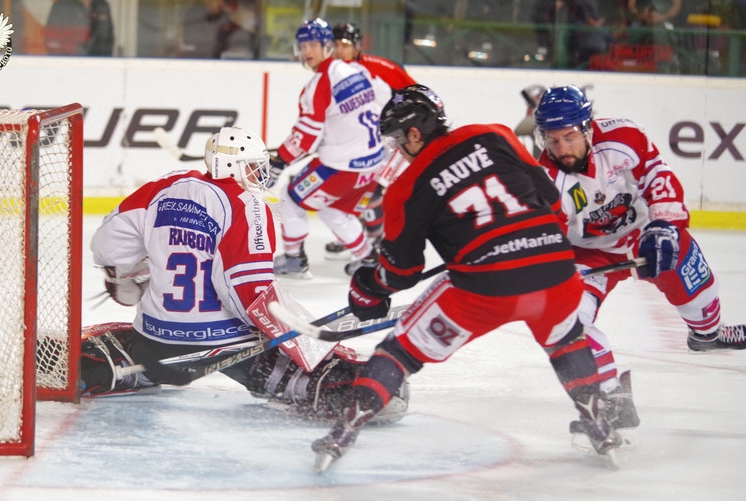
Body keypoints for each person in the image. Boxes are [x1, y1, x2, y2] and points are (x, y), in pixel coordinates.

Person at [311, 84, 622, 472]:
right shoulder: (494, 133)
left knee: (398, 352)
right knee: (566, 340)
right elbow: (551, 198)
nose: (395, 149)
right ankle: (600, 426)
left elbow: (401, 272)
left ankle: (342, 433)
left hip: (484, 289)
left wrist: (367, 288)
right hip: (557, 271)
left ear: (413, 133)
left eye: (396, 139)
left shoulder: (405, 189)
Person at [85, 126, 406, 423]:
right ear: (231, 167)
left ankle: (125, 368)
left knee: (133, 351)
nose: (259, 174)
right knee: (362, 386)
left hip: (156, 338)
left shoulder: (162, 188)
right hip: (227, 348)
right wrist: (290, 336)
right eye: (252, 167)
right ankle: (301, 380)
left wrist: (123, 278)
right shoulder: (247, 205)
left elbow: (105, 244)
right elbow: (246, 291)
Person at [533, 85, 745, 420]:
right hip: (588, 256)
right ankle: (606, 395)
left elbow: (658, 176)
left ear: (588, 127)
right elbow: (548, 238)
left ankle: (709, 334)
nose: (562, 148)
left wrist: (664, 224)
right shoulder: (545, 179)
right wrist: (556, 269)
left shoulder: (623, 136)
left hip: (643, 236)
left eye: (570, 136)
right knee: (569, 319)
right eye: (552, 139)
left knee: (697, 289)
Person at [267, 18, 386, 278]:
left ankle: (293, 258)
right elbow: (381, 101)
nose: (307, 51)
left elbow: (307, 135)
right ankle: (368, 259)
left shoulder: (319, 83)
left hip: (341, 167)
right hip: (373, 164)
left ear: (327, 46)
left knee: (290, 197)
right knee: (335, 210)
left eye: (313, 44)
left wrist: (279, 162)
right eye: (303, 45)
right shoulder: (357, 71)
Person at [321, 22, 418, 263]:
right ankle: (357, 233)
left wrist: (404, 124)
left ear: (356, 46)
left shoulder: (379, 67)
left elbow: (416, 92)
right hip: (363, 142)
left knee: (375, 190)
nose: (339, 50)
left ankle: (373, 235)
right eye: (335, 46)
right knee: (355, 187)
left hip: (393, 141)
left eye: (345, 45)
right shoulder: (330, 73)